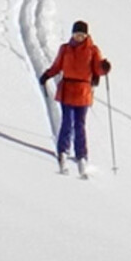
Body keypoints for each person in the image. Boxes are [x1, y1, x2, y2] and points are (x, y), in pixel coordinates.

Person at [40, 20, 111, 176]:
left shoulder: (92, 50)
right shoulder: (65, 49)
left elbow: (97, 68)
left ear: (86, 35)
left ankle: (81, 155)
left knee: (80, 124)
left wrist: (104, 67)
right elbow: (57, 66)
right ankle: (63, 150)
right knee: (67, 121)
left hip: (83, 91)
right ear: (72, 34)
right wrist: (47, 75)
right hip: (68, 89)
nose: (79, 37)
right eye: (76, 34)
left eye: (81, 35)